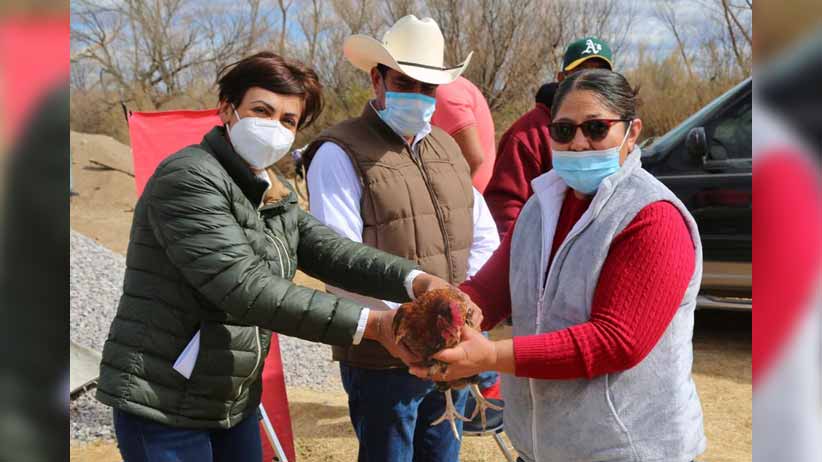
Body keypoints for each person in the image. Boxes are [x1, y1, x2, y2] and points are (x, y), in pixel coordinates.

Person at [95, 51, 448, 462]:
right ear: (228, 109)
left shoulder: (268, 187)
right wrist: (376, 325)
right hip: (163, 403)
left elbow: (330, 250)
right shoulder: (189, 177)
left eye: (287, 120)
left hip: (231, 401)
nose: (274, 127)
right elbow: (247, 289)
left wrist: (417, 280)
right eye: (261, 110)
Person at [413, 69, 707, 461]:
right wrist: (440, 320)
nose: (580, 143)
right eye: (564, 131)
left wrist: (491, 357)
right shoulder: (541, 206)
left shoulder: (652, 217)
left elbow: (616, 342)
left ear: (632, 132)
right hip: (542, 446)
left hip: (626, 449)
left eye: (597, 128)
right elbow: (488, 292)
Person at [302, 15, 499, 461]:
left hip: (452, 349)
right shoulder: (338, 151)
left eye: (428, 88)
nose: (418, 96)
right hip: (383, 359)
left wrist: (457, 314)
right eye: (405, 82)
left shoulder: (447, 148)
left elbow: (482, 236)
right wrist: (415, 328)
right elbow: (339, 263)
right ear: (377, 78)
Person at [484, 36, 613, 237]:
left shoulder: (612, 129)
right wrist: (527, 257)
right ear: (562, 79)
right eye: (581, 73)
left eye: (600, 75)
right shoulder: (528, 134)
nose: (590, 82)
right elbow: (505, 208)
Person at [431, 76, 497, 193]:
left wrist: (447, 203)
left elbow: (472, 158)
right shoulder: (447, 87)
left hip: (465, 202)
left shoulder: (442, 91)